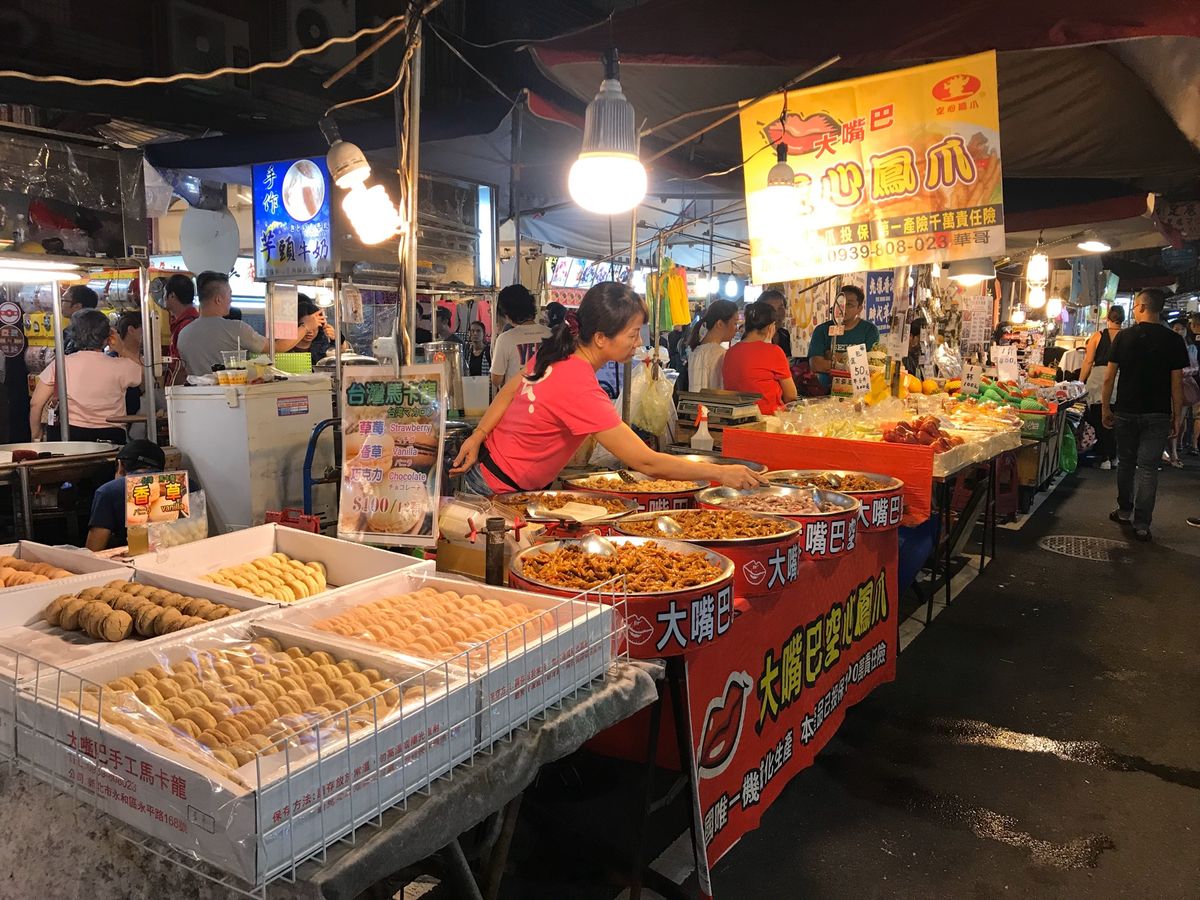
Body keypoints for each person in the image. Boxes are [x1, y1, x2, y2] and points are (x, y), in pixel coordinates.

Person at [451, 282, 763, 494]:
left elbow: (509, 391)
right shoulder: (578, 383)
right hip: (496, 488)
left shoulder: (560, 351)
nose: (638, 342)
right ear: (601, 338)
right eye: (632, 334)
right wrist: (721, 473)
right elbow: (646, 461)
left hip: (493, 475)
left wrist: (479, 436)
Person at [1101, 288, 1189, 541]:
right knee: (1148, 468)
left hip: (1127, 411)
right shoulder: (1174, 340)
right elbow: (1177, 384)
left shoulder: (1124, 337)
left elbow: (1108, 378)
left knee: (1126, 462)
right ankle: (1142, 524)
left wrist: (1107, 407)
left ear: (1140, 306)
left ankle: (1125, 510)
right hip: (1158, 413)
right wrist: (1177, 417)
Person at [29, 309, 140, 444]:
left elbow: (36, 404)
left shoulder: (61, 364)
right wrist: (122, 349)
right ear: (108, 337)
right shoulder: (121, 366)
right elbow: (142, 374)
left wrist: (36, 434)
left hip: (70, 434)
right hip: (111, 435)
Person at [176, 271, 296, 378]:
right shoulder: (236, 329)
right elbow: (276, 348)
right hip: (234, 399)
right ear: (218, 300)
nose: (230, 300)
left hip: (196, 400)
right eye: (230, 294)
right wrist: (306, 327)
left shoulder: (183, 334)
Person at [84, 439, 165, 551]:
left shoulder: (107, 492)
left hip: (134, 562)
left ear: (120, 465)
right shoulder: (187, 484)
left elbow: (94, 550)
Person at [722, 301, 798, 414]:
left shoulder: (730, 353)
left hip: (737, 418)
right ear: (770, 327)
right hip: (769, 419)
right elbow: (791, 395)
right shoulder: (774, 352)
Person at [808, 285, 881, 389]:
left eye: (849, 304)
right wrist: (851, 360)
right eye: (840, 303)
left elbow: (870, 366)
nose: (842, 308)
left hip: (858, 390)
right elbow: (816, 365)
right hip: (825, 389)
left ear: (859, 308)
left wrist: (835, 357)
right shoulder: (821, 330)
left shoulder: (870, 330)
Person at [1080, 305, 1125, 470]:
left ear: (1108, 319)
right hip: (1120, 379)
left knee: (1099, 418)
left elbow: (1088, 361)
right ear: (1122, 319)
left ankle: (1104, 456)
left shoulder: (1097, 336)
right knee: (1117, 417)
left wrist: (1079, 382)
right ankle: (1114, 457)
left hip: (1099, 379)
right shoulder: (1128, 336)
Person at [491, 284, 550, 391]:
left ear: (507, 313)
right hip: (546, 400)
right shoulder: (551, 334)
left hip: (517, 402)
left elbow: (496, 380)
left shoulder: (505, 339)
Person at [687, 299, 738, 391]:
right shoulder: (720, 354)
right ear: (720, 324)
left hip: (694, 404)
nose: (736, 329)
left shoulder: (694, 351)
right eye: (735, 323)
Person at [164, 273, 197, 384]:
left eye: (165, 293)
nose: (163, 298)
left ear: (172, 295)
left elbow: (183, 365)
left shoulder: (187, 325)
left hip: (183, 390)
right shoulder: (184, 322)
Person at [61, 284, 99, 355]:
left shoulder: (86, 336)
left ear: (77, 306)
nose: (60, 304)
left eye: (63, 300)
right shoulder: (68, 332)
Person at [759, 289, 793, 359]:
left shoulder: (784, 334)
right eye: (772, 309)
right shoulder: (755, 336)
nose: (777, 313)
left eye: (781, 307)